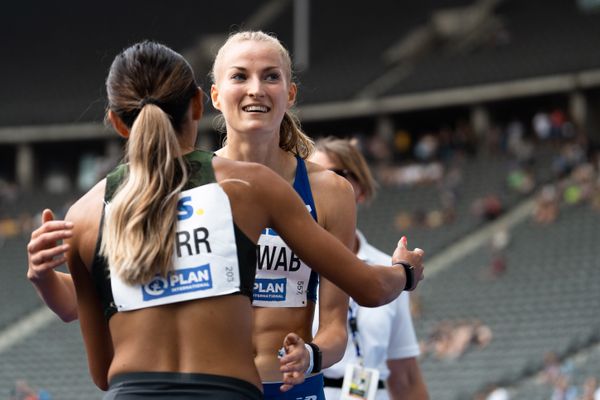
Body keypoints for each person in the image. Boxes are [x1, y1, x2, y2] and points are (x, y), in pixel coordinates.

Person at [26, 40, 425, 399]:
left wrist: (314, 356)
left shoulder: (91, 210)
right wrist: (404, 273)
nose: (255, 88)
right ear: (205, 101)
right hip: (230, 387)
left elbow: (103, 367)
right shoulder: (245, 188)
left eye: (270, 76)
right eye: (240, 76)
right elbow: (371, 287)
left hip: (270, 385)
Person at [310, 137, 428, 400]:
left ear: (360, 189)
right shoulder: (286, 262)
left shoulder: (391, 270)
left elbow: (405, 377)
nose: (321, 185)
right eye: (310, 176)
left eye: (334, 174)